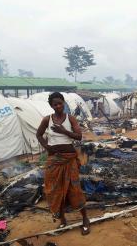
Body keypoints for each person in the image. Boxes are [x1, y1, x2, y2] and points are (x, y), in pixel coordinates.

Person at [36, 92, 90, 235]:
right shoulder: (47, 120)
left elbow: (79, 136)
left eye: (60, 103)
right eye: (55, 104)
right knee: (55, 189)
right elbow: (39, 134)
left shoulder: (70, 119)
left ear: (64, 103)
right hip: (54, 160)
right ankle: (63, 221)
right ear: (51, 105)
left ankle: (85, 219)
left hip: (69, 158)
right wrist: (47, 147)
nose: (58, 106)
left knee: (75, 189)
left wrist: (64, 131)